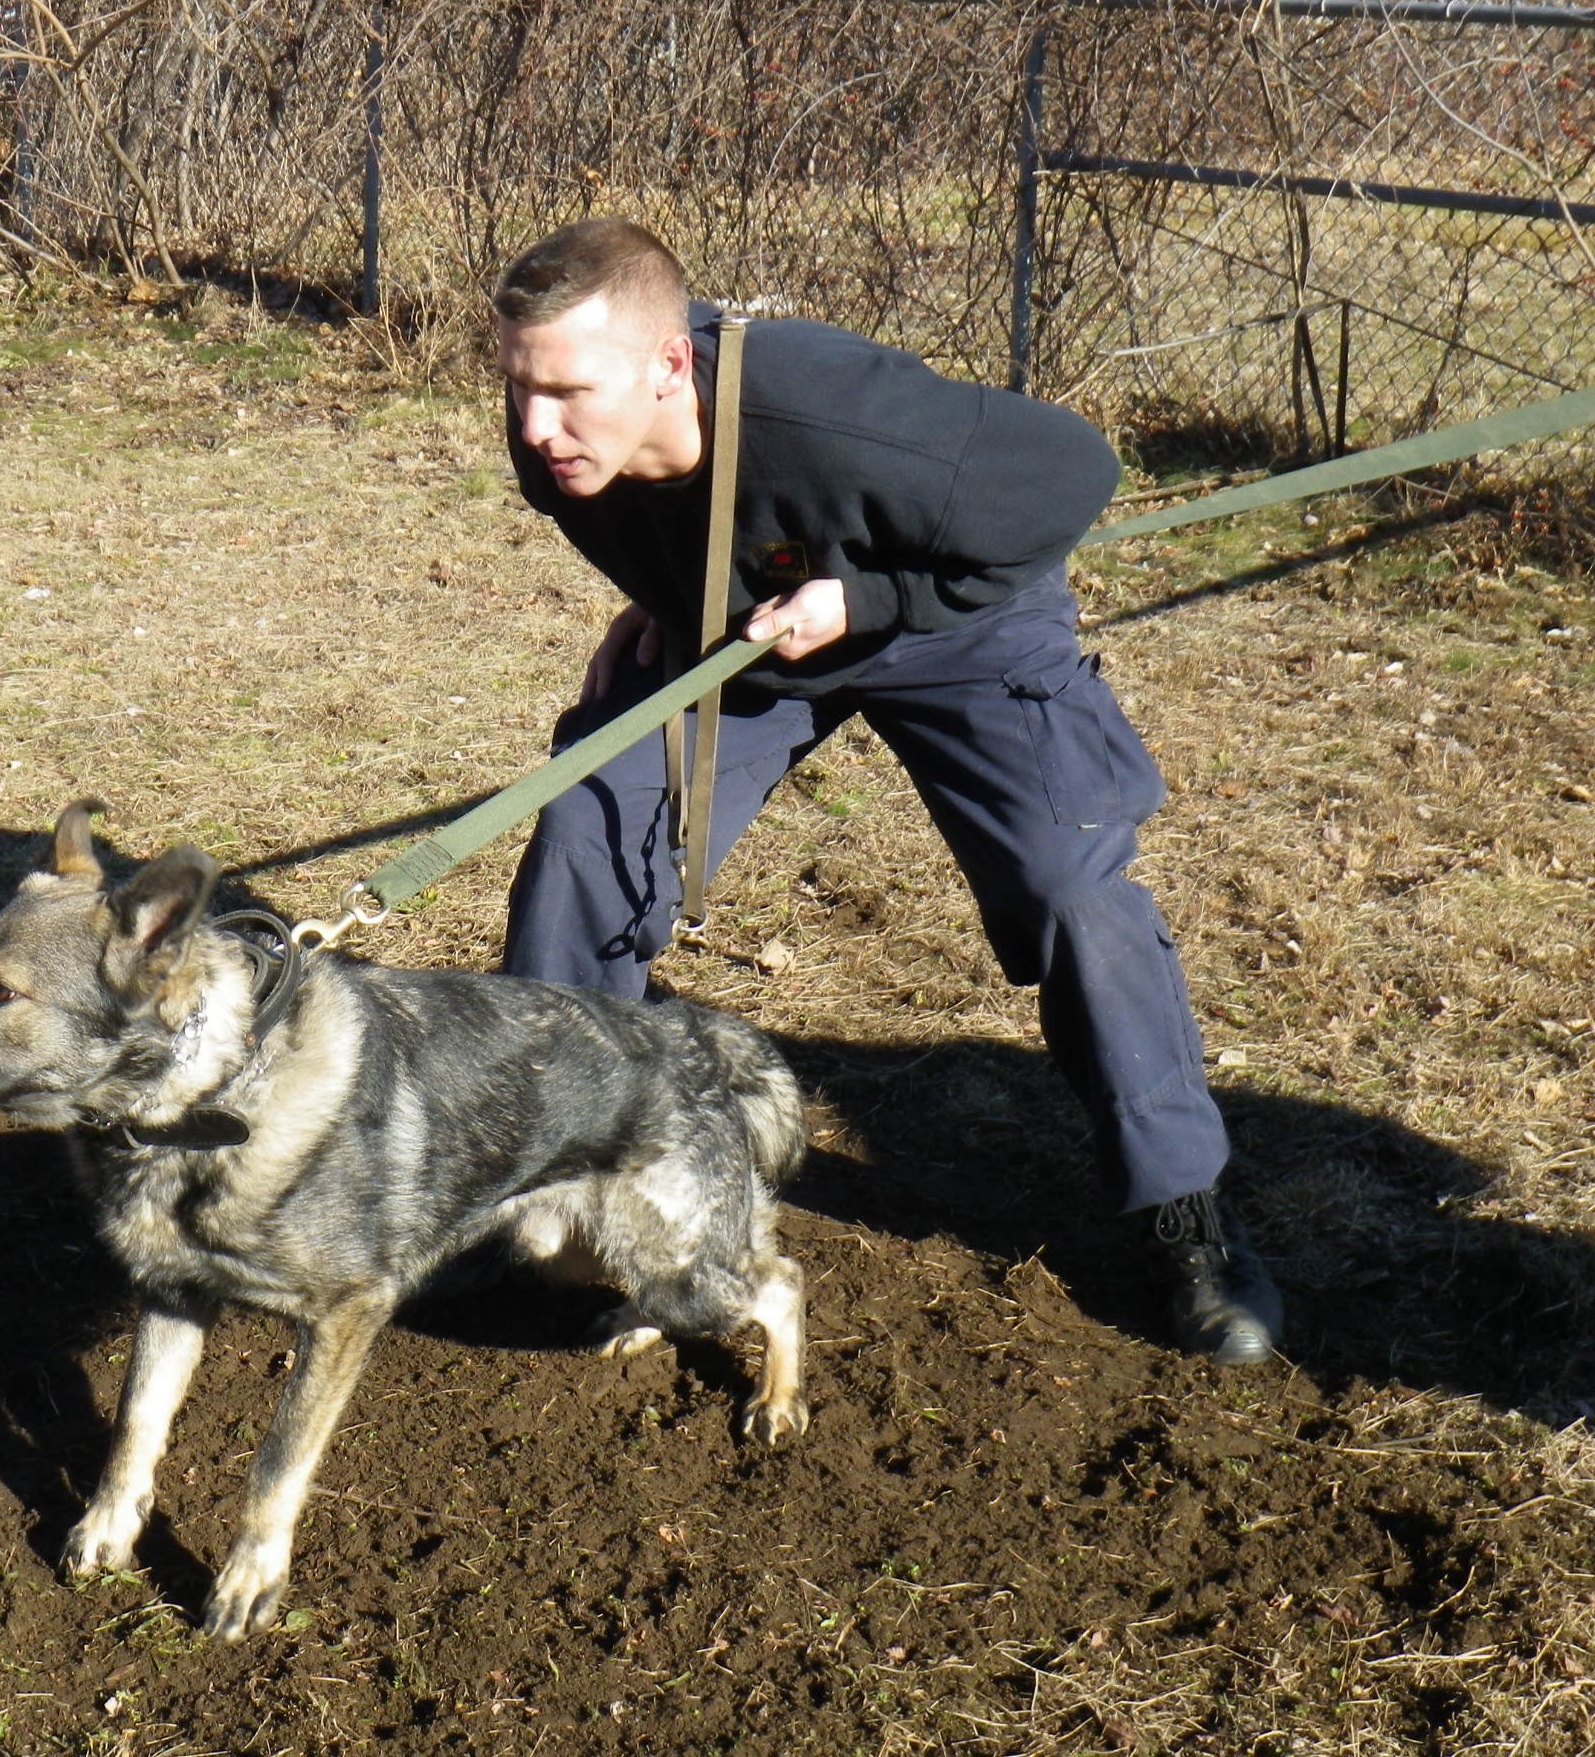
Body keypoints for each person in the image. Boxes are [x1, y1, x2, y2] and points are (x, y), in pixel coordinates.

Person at [491, 216, 1280, 1364]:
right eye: (519, 389)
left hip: (957, 618)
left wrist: (866, 605)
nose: (534, 426)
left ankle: (1188, 1219)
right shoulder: (555, 441)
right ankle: (551, 1183)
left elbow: (1075, 472)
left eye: (568, 392)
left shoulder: (835, 416)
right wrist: (667, 602)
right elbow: (680, 519)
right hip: (753, 631)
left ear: (671, 365)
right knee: (588, 822)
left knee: (1067, 884)